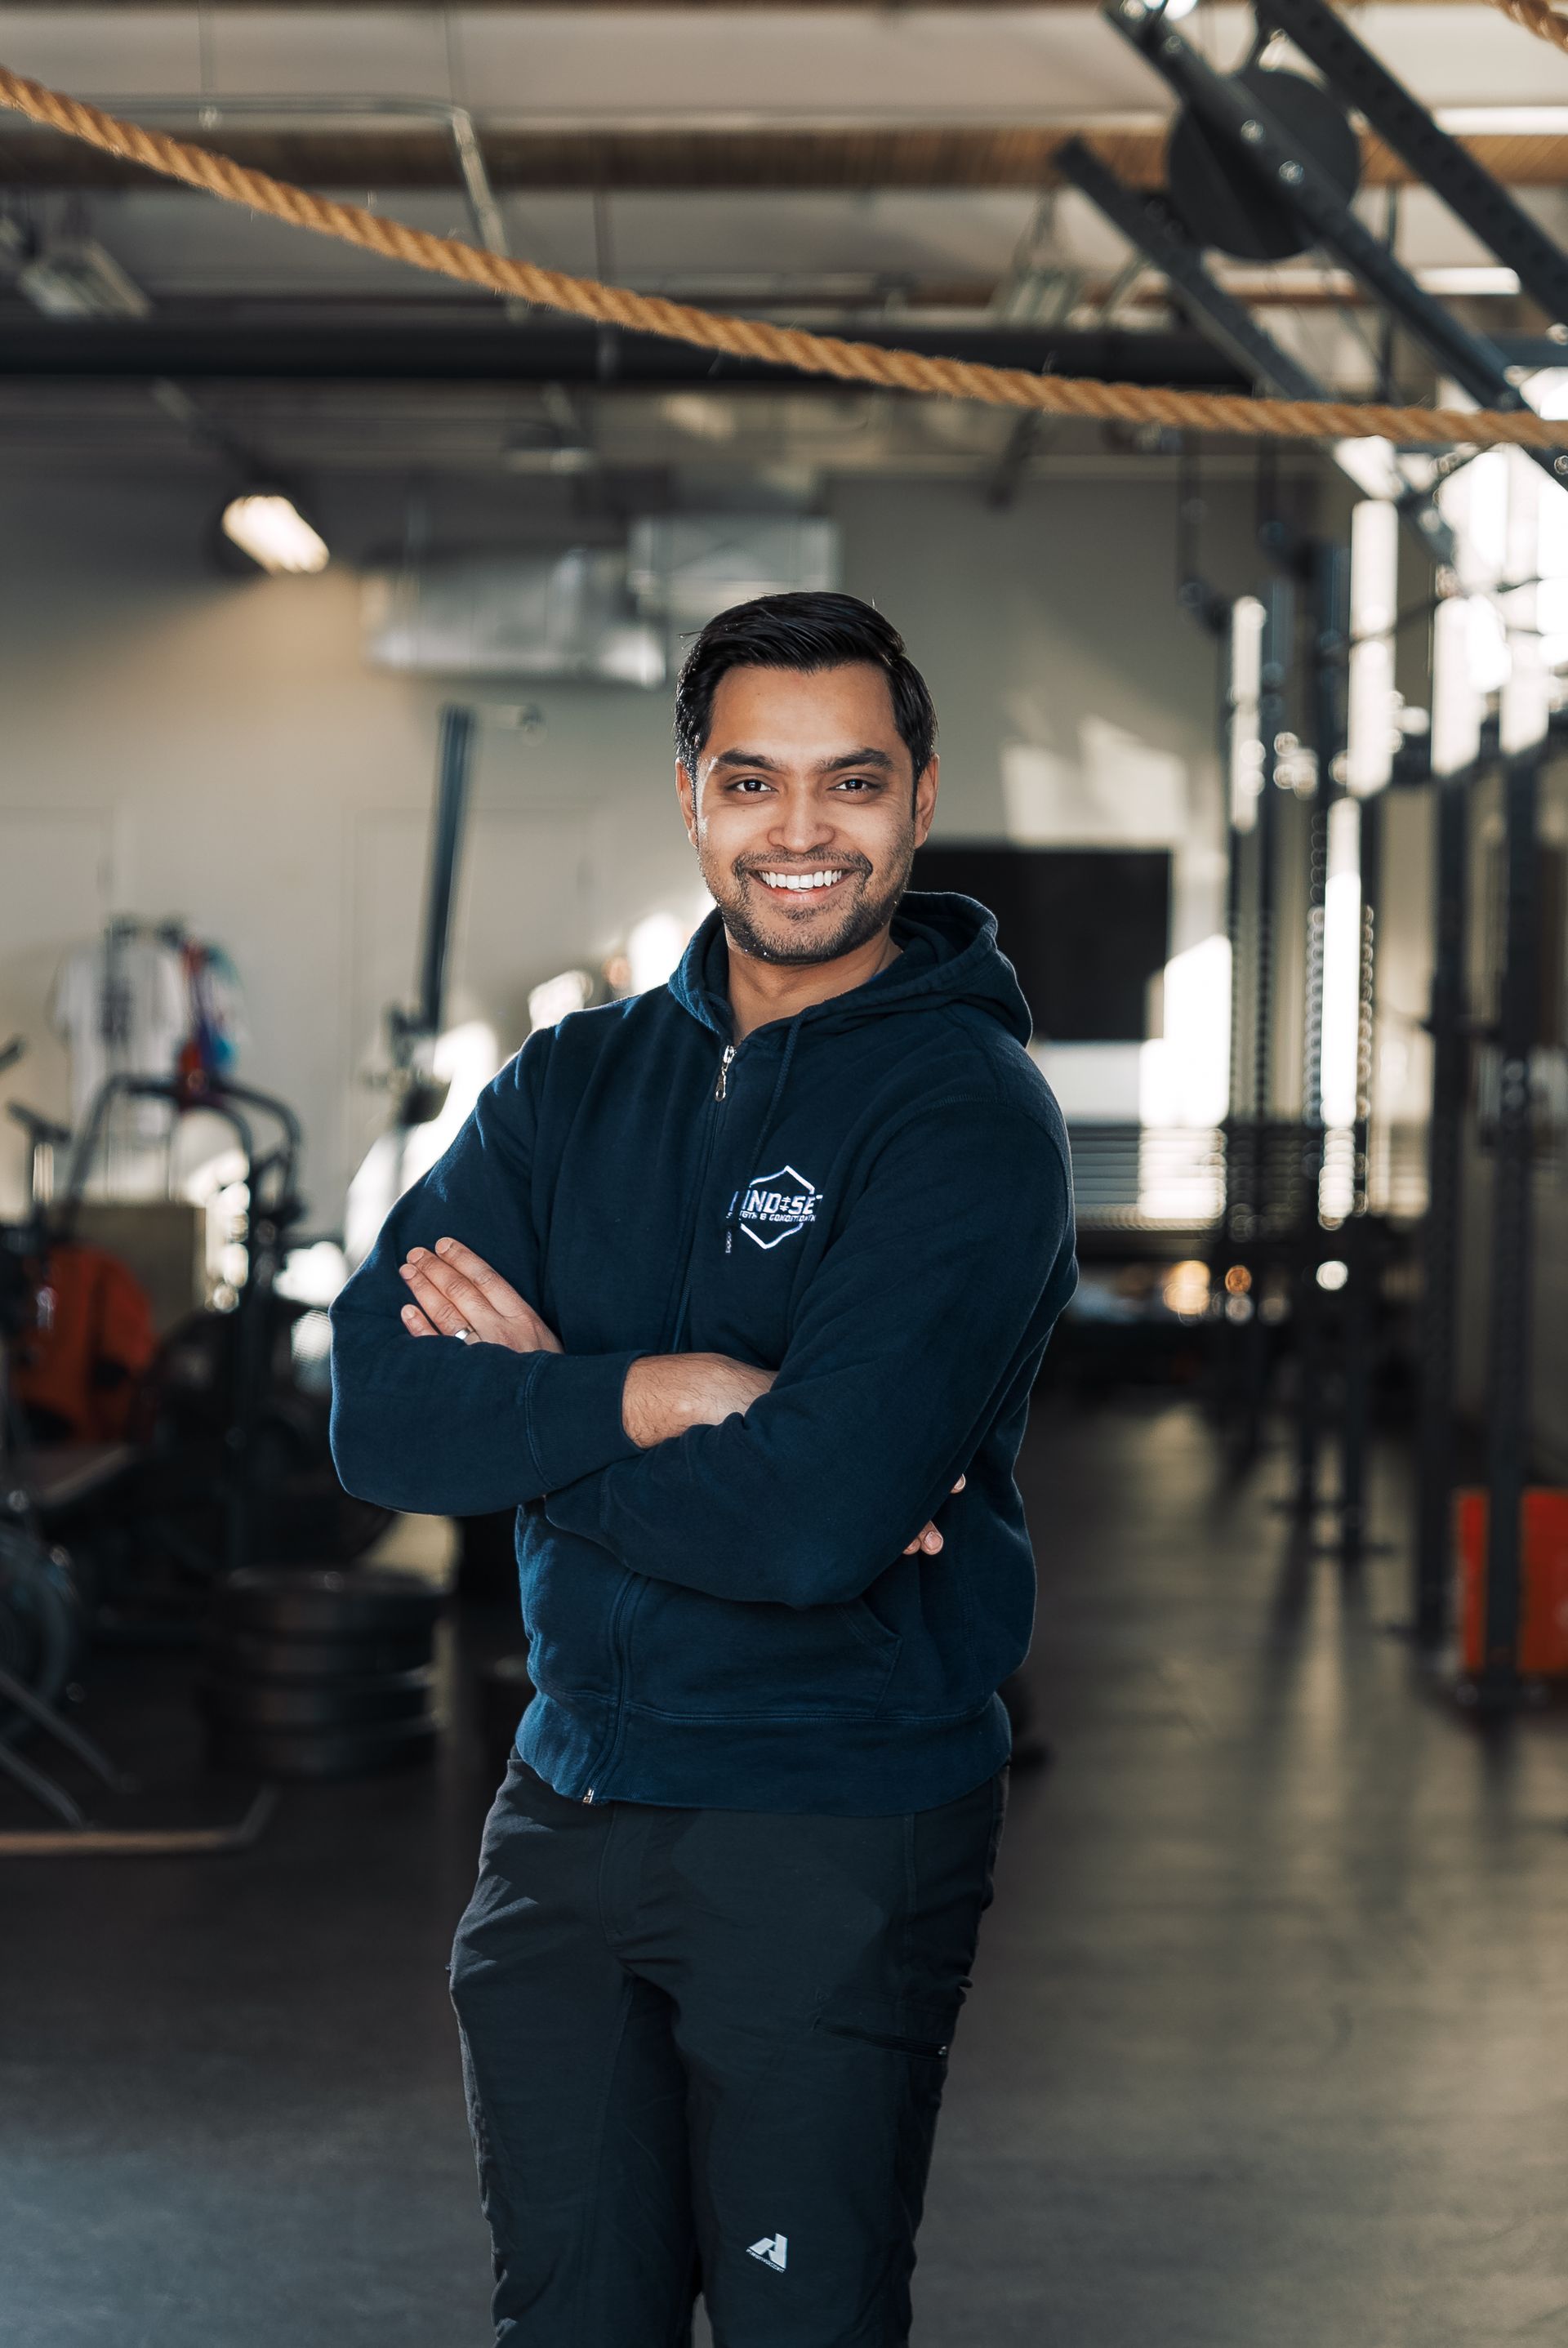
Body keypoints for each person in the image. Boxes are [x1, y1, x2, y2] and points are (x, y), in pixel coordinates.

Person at [329, 590, 1077, 2347]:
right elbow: (376, 1408)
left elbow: (820, 1521)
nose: (801, 831)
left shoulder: (967, 1115)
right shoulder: (571, 1085)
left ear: (918, 795)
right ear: (691, 797)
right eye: (754, 782)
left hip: (831, 1825)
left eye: (851, 782)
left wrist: (534, 1410)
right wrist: (648, 1397)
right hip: (566, 1814)